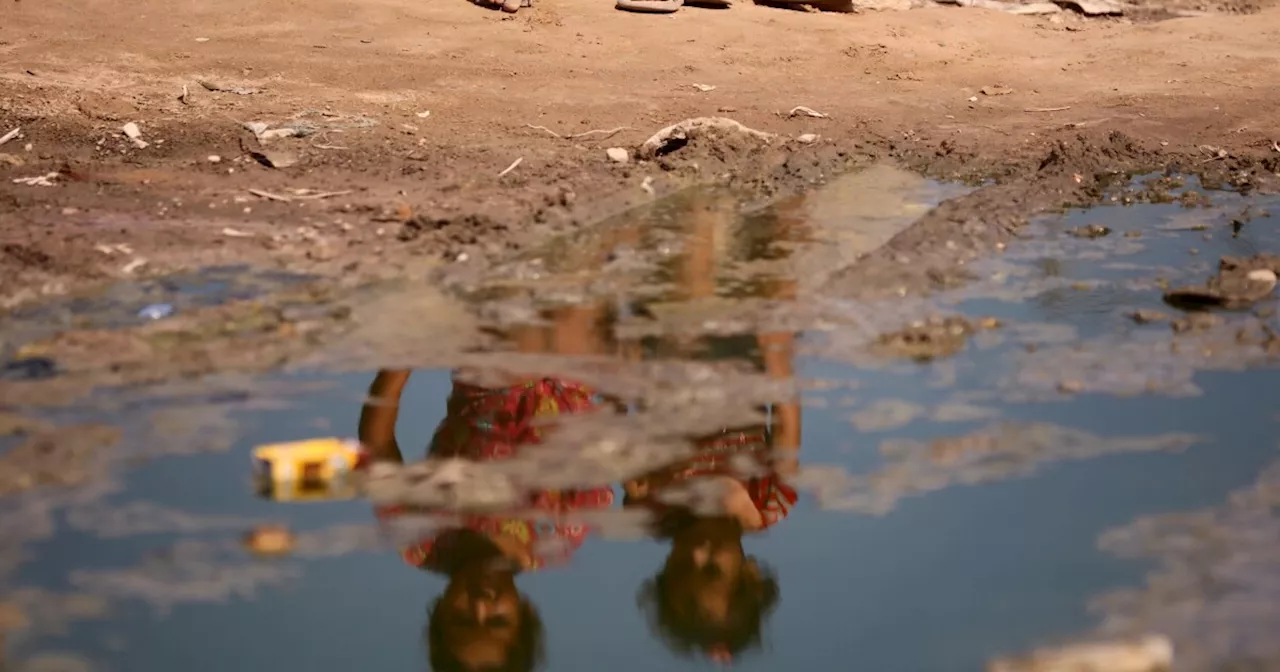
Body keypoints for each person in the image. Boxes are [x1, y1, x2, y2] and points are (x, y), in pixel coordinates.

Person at [357, 301, 629, 671]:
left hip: (491, 369)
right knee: (578, 308)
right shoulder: (559, 537)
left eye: (462, 619)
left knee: (534, 323)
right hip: (576, 371)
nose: (481, 604)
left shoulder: (422, 541)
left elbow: (377, 449)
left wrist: (401, 360)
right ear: (524, 612)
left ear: (439, 610)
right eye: (498, 620)